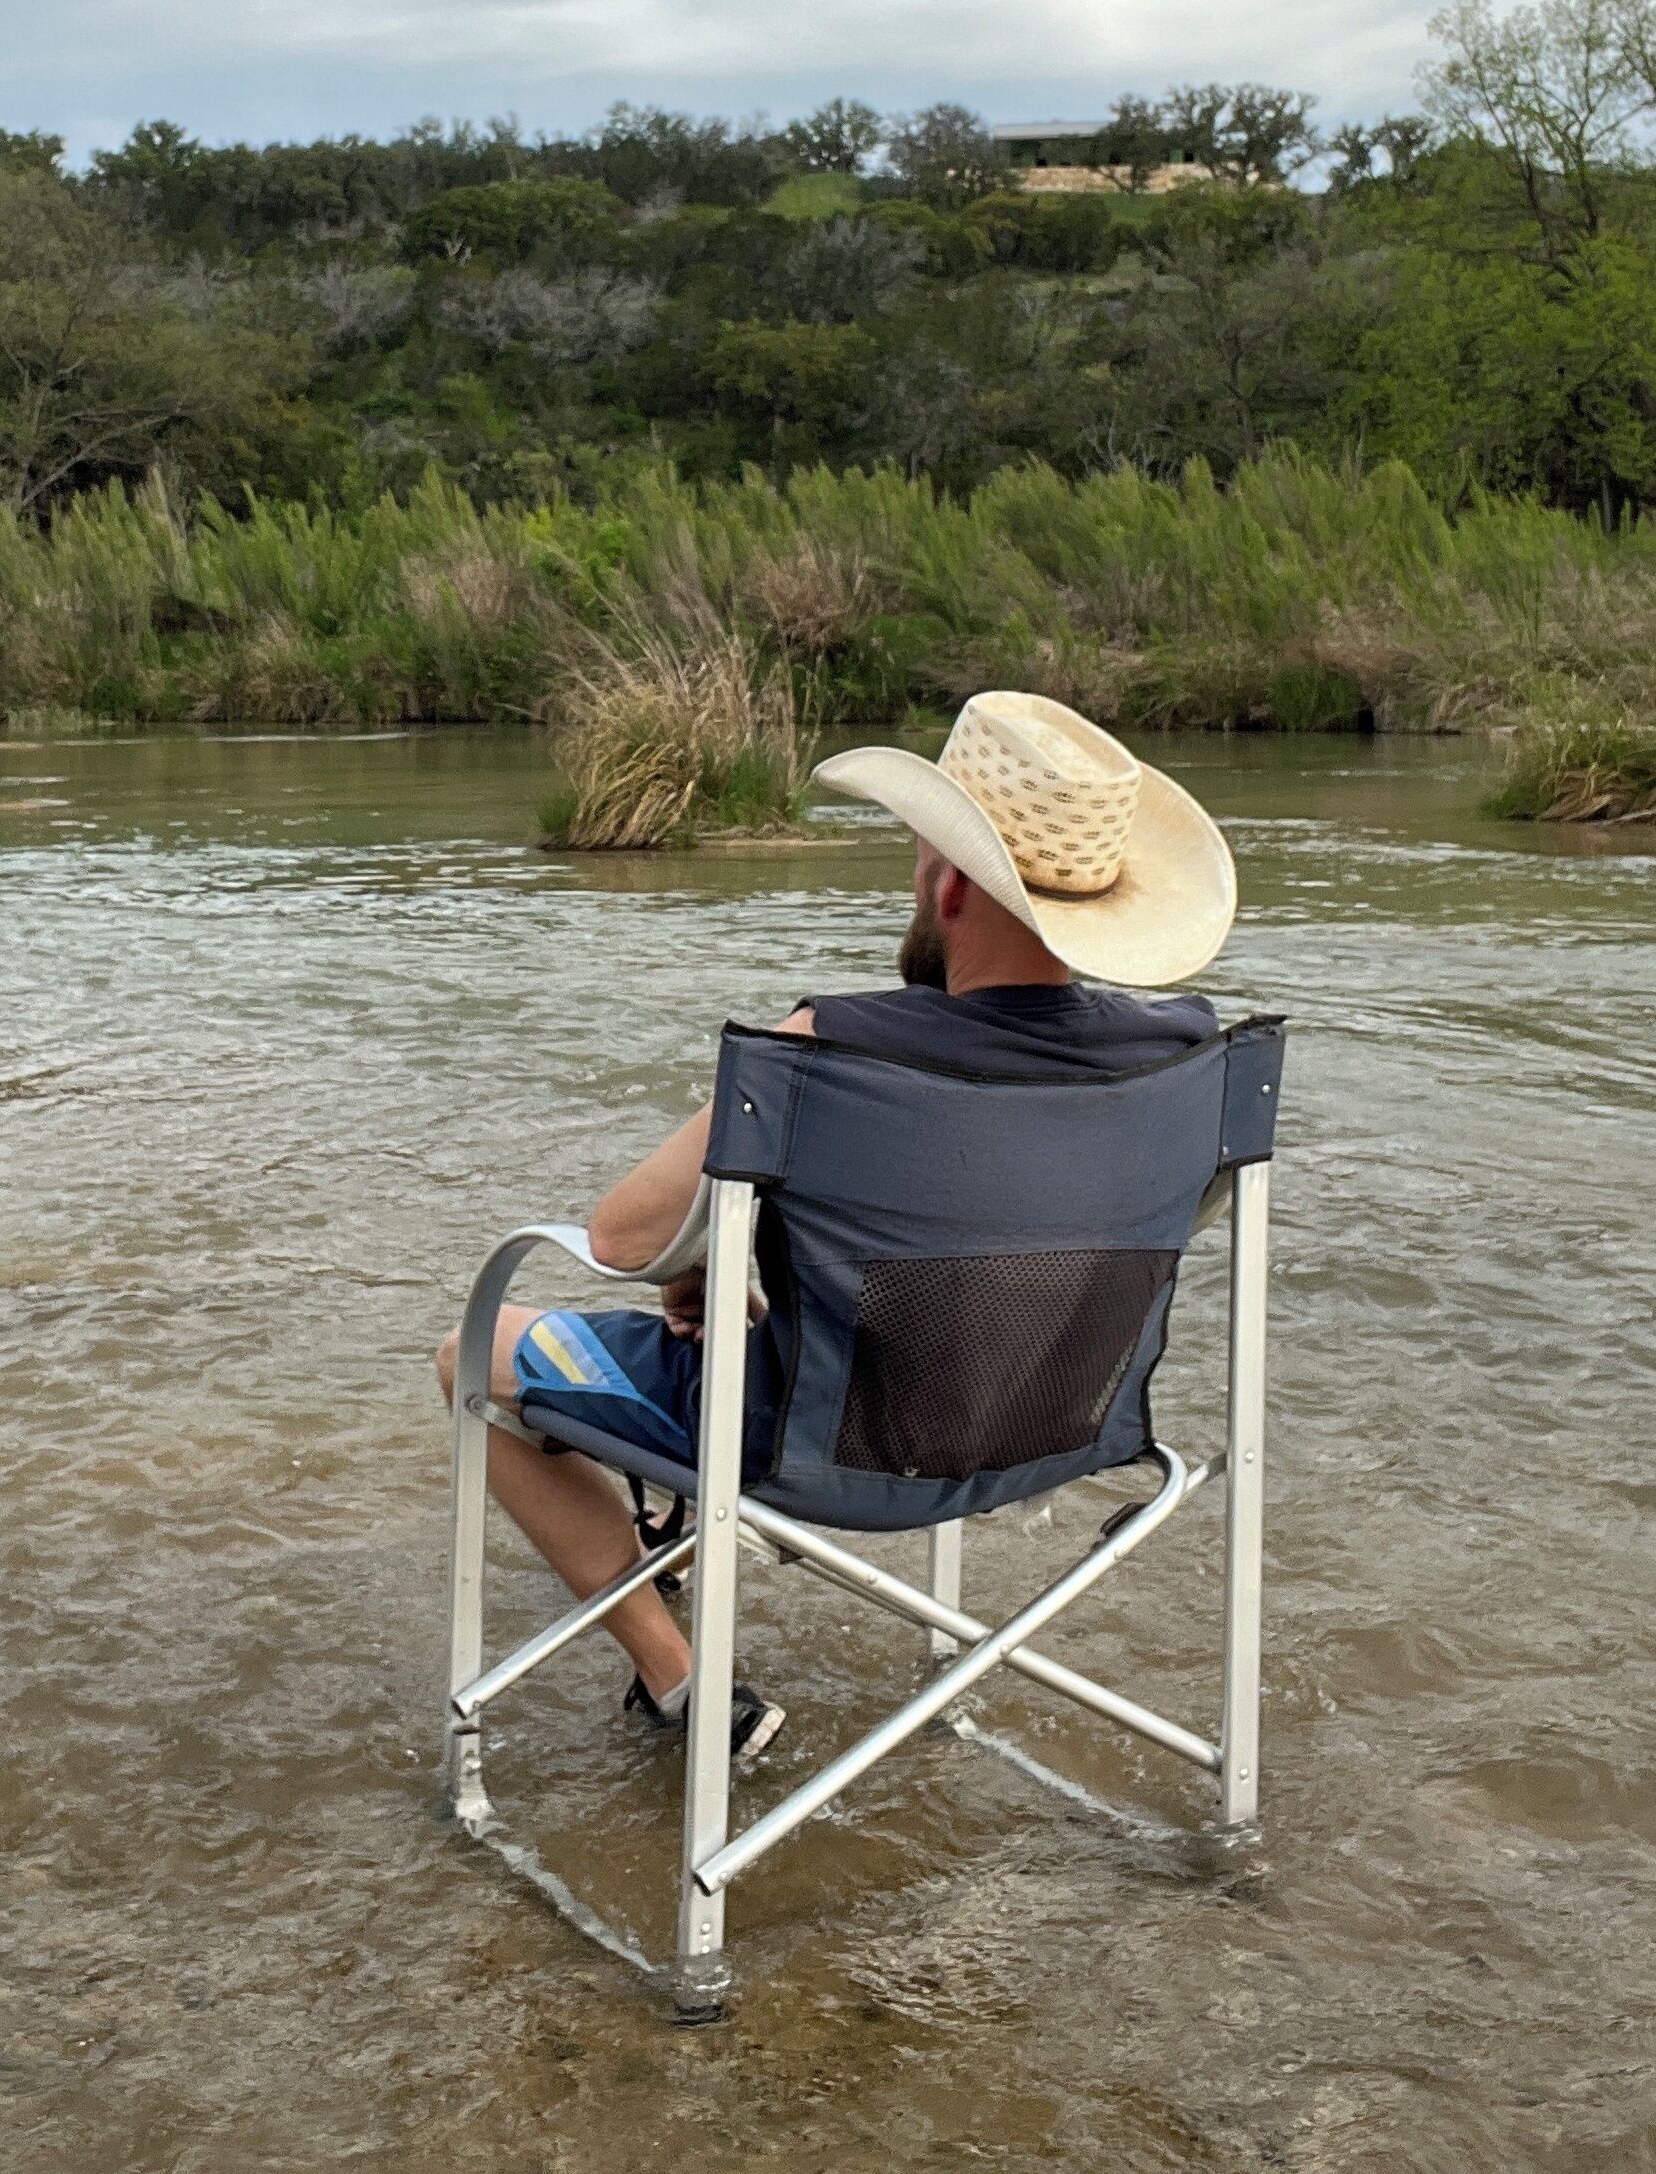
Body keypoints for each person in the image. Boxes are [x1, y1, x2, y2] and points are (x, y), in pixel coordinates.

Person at [435, 689, 1238, 1762]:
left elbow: (622, 1238)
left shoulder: (828, 1045)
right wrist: (727, 1265)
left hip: (802, 1444)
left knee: (472, 1353)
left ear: (948, 880)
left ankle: (682, 1683)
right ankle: (669, 1558)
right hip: (1054, 1431)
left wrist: (707, 1262)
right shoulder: (1188, 1057)